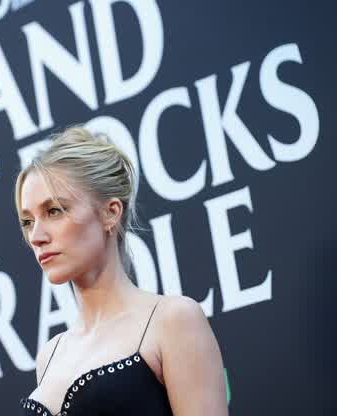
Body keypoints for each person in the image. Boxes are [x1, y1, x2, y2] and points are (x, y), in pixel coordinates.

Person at [15, 126, 228, 415]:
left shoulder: (173, 321)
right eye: (27, 221)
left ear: (110, 212)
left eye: (54, 211)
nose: (37, 236)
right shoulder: (50, 356)